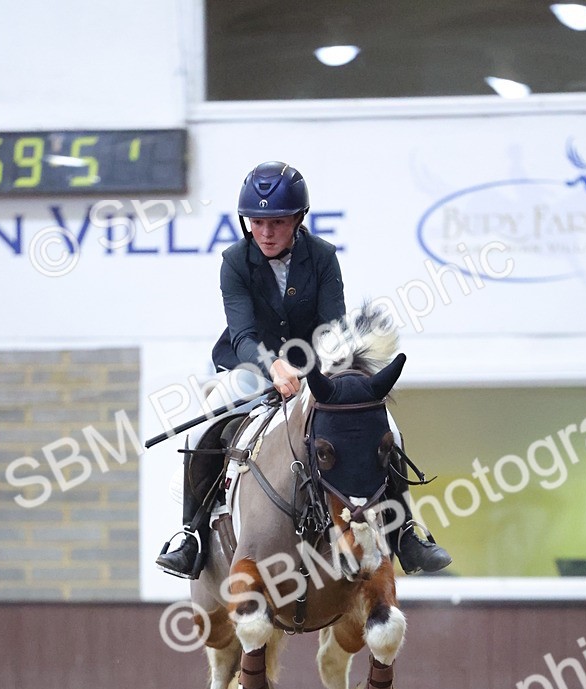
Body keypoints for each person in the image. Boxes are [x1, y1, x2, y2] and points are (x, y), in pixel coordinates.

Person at [156, 160, 451, 578]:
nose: (266, 233)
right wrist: (273, 366)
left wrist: (318, 371)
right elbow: (241, 333)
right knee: (208, 419)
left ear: (298, 219)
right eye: (256, 222)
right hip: (250, 365)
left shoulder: (323, 258)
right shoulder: (234, 262)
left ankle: (405, 533)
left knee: (385, 424)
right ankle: (191, 534)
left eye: (276, 222)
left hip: (316, 368)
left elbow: (332, 326)